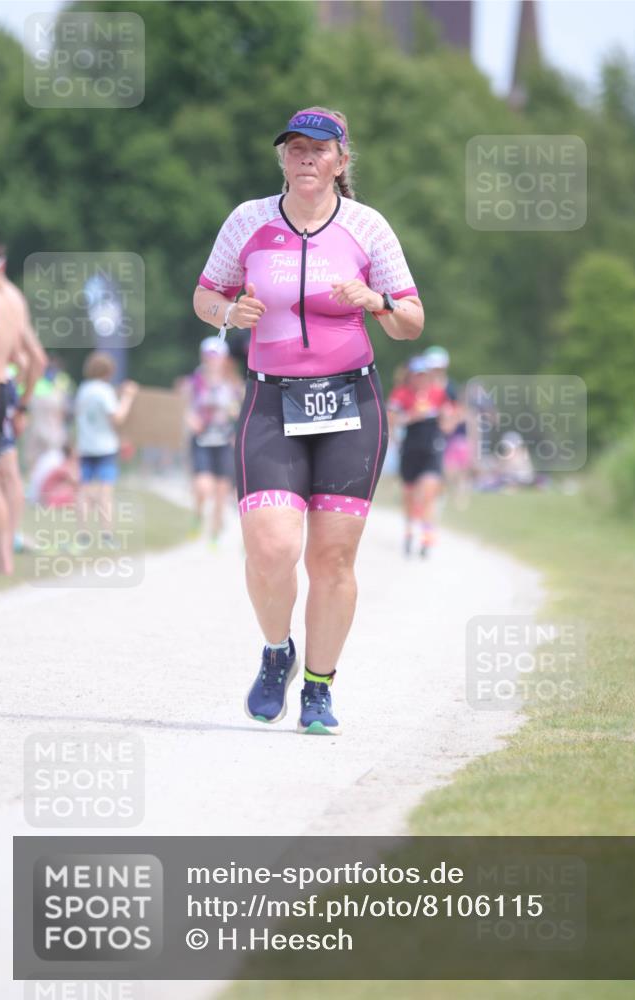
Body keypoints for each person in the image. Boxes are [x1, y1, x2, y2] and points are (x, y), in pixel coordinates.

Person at [193, 106, 423, 734]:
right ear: (283, 159)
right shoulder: (248, 220)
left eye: (319, 150)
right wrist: (226, 314)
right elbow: (206, 292)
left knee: (332, 558)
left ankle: (319, 688)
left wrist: (374, 300)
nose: (306, 158)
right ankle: (277, 653)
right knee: (270, 549)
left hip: (351, 402)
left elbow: (411, 321)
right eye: (295, 148)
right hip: (272, 399)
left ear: (341, 161)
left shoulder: (368, 229)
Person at [0, 241, 47, 574]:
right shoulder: (14, 298)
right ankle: (6, 558)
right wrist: (23, 404)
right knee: (9, 473)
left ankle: (0, 554)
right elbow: (35, 359)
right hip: (7, 389)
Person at [387, 354, 454, 558]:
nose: (421, 379)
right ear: (410, 376)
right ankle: (409, 532)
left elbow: (449, 417)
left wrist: (446, 422)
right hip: (409, 450)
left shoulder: (438, 393)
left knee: (427, 494)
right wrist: (412, 417)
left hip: (431, 450)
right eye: (417, 375)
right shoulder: (401, 395)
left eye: (424, 375)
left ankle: (426, 536)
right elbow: (391, 419)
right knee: (409, 495)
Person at [74, 351, 138, 545]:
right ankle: (107, 534)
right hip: (105, 448)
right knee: (105, 492)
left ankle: (83, 534)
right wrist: (128, 397)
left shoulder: (83, 390)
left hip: (86, 446)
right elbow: (117, 417)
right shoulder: (104, 391)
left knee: (84, 491)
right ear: (109, 371)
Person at [187, 336, 243, 545]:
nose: (213, 360)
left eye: (217, 356)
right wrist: (191, 419)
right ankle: (198, 514)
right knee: (204, 487)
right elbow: (184, 406)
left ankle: (214, 534)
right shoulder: (196, 381)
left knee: (221, 491)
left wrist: (235, 421)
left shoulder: (233, 383)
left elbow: (240, 410)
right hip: (202, 440)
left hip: (224, 441)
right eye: (210, 356)